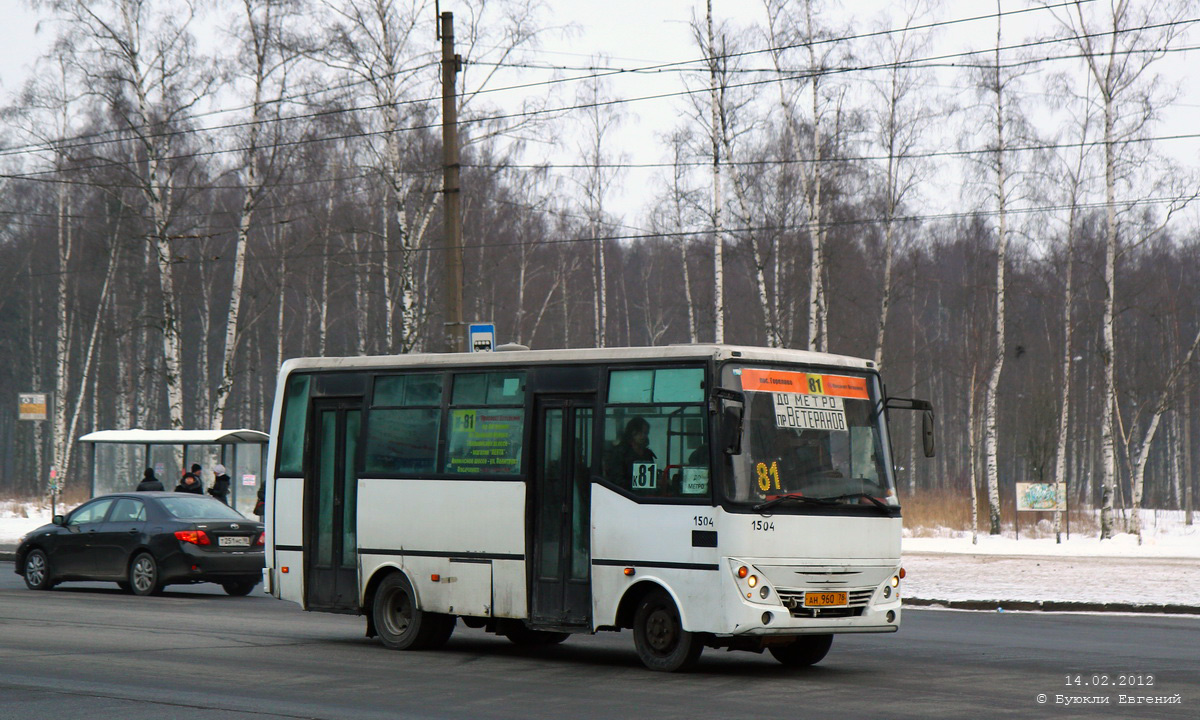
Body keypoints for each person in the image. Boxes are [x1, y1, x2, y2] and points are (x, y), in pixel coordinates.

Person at [604, 416, 658, 490]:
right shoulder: (620, 453)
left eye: (645, 433)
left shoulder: (647, 454)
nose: (643, 436)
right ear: (631, 432)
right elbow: (616, 481)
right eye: (639, 432)